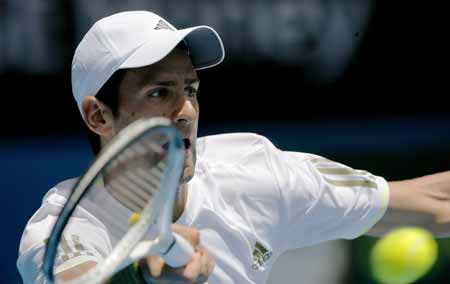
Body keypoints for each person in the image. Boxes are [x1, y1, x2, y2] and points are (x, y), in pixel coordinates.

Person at [17, 10, 450, 284]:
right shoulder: (63, 228)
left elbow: (430, 201)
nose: (185, 109)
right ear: (98, 116)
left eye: (190, 88)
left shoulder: (254, 173)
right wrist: (139, 272)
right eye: (158, 94)